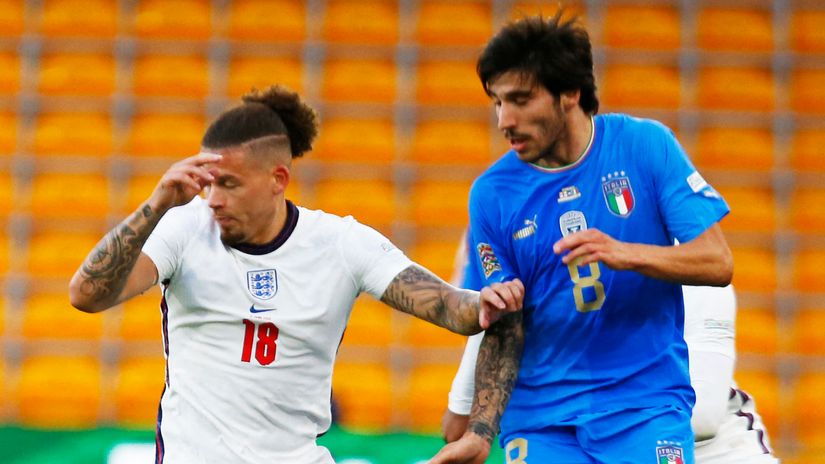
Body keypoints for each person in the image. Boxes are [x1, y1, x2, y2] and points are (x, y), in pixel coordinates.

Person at [68, 85, 524, 464]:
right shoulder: (184, 227)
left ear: (278, 179)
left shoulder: (342, 243)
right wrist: (156, 203)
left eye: (228, 184)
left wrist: (485, 303)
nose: (213, 200)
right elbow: (86, 295)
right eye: (208, 185)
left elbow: (453, 307)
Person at [429, 13, 734, 464]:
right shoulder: (491, 195)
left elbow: (717, 262)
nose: (504, 120)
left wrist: (625, 253)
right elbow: (503, 327)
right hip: (542, 421)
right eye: (497, 102)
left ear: (570, 93)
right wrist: (480, 430)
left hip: (644, 407)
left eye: (520, 100)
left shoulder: (646, 146)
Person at [442, 235, 780, 463]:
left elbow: (703, 416)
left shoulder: (690, 266)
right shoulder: (521, 281)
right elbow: (458, 428)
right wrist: (496, 318)